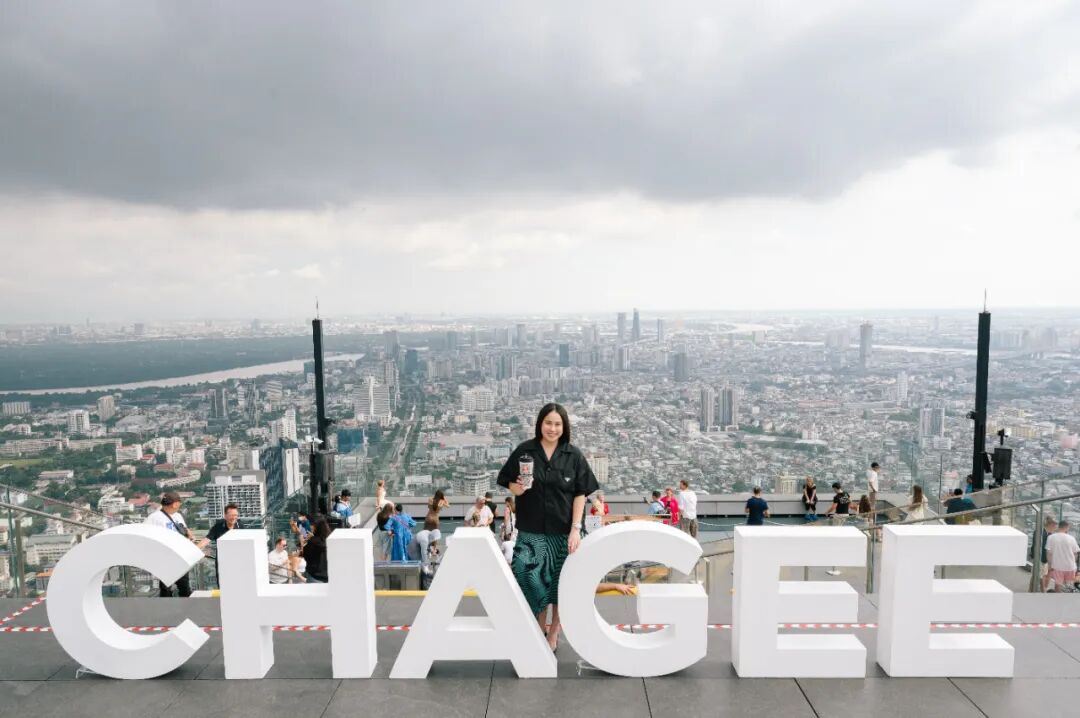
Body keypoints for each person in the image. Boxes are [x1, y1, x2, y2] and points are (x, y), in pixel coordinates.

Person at [497, 402, 598, 652]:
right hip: (531, 532)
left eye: (557, 424)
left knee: (561, 585)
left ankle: (553, 633)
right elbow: (506, 480)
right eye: (548, 423)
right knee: (532, 582)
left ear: (564, 427)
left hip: (563, 533)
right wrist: (517, 488)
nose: (552, 428)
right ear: (540, 424)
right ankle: (538, 628)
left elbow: (581, 493)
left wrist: (576, 528)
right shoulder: (525, 451)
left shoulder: (573, 456)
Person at [144, 492, 196, 597]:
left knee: (184, 587)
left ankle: (185, 606)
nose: (180, 505)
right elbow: (145, 536)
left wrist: (189, 534)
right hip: (164, 558)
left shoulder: (178, 516)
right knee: (166, 588)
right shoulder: (154, 518)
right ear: (175, 504)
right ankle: (168, 607)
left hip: (180, 557)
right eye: (179, 503)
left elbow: (184, 529)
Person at [200, 503, 241, 587]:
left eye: (236, 515)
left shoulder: (240, 525)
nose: (234, 517)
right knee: (222, 585)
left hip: (237, 560)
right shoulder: (218, 527)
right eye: (231, 515)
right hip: (222, 561)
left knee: (238, 584)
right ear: (225, 516)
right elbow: (207, 539)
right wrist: (194, 549)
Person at [406, 517, 442, 588]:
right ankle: (424, 585)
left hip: (417, 546)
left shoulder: (428, 533)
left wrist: (432, 550)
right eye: (435, 539)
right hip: (413, 550)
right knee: (421, 565)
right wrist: (426, 566)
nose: (435, 541)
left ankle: (423, 581)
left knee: (423, 563)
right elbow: (424, 553)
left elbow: (428, 545)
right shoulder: (424, 539)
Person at [1046, 521, 1080, 592]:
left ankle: (1058, 598)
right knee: (1069, 585)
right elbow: (1076, 553)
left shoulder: (1051, 537)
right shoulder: (1071, 538)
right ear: (1067, 527)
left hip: (1057, 566)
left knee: (1058, 584)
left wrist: (1050, 565)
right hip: (1070, 566)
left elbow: (1049, 553)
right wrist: (1073, 562)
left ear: (1059, 527)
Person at [302, 518, 331, 582]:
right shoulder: (330, 541)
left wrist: (310, 539)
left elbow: (305, 555)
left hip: (315, 576)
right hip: (328, 576)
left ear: (317, 528)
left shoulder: (313, 542)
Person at [1039, 517, 1057, 592]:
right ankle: (1043, 591)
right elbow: (1044, 549)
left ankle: (1042, 590)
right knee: (1042, 575)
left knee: (1044, 574)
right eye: (1054, 526)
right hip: (1042, 559)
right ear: (1051, 525)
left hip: (1044, 559)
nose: (1055, 528)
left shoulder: (1047, 534)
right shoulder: (1044, 534)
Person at [501, 496, 518, 563]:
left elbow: (506, 518)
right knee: (513, 542)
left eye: (505, 502)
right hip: (514, 526)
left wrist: (504, 527)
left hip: (509, 526)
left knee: (507, 541)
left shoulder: (507, 508)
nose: (505, 504)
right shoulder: (514, 507)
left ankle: (508, 558)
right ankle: (514, 557)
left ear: (508, 502)